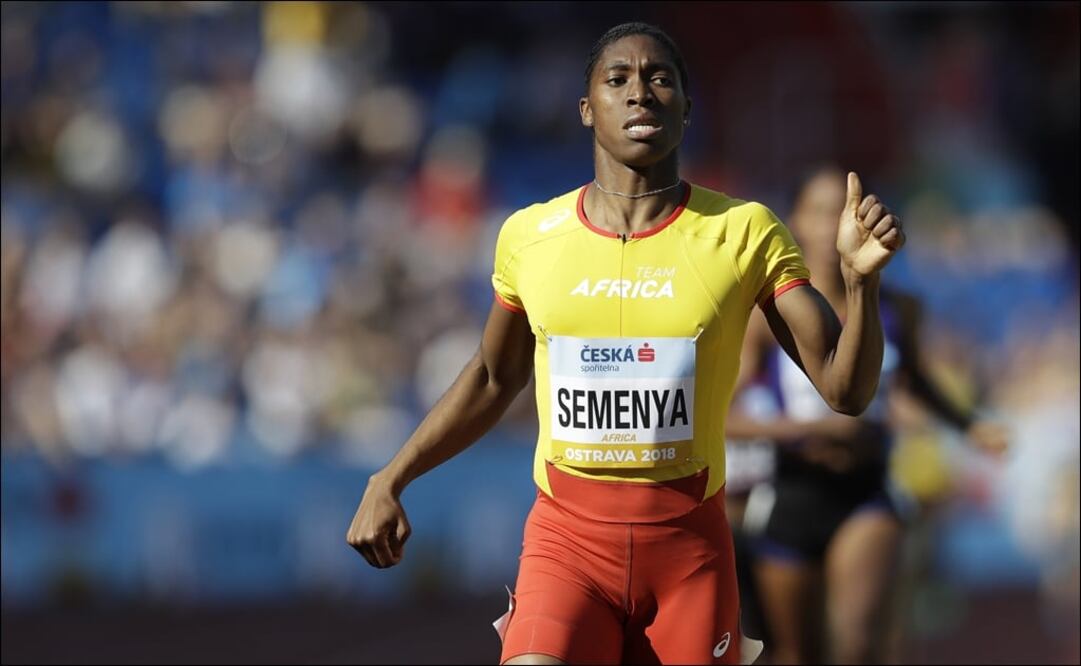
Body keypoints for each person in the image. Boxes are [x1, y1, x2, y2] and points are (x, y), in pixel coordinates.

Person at [346, 23, 905, 665]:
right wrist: (391, 477)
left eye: (659, 78)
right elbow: (493, 379)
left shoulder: (744, 231)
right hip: (567, 541)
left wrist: (861, 287)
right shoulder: (529, 236)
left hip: (687, 548)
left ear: (687, 109)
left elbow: (845, 389)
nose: (639, 92)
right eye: (617, 80)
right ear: (587, 109)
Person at [725, 166, 1008, 664]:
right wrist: (809, 429)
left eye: (846, 209)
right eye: (820, 210)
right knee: (795, 654)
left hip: (866, 490)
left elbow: (917, 380)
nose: (834, 222)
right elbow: (724, 415)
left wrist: (969, 425)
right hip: (790, 490)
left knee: (857, 643)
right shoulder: (766, 317)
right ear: (795, 222)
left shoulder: (898, 309)